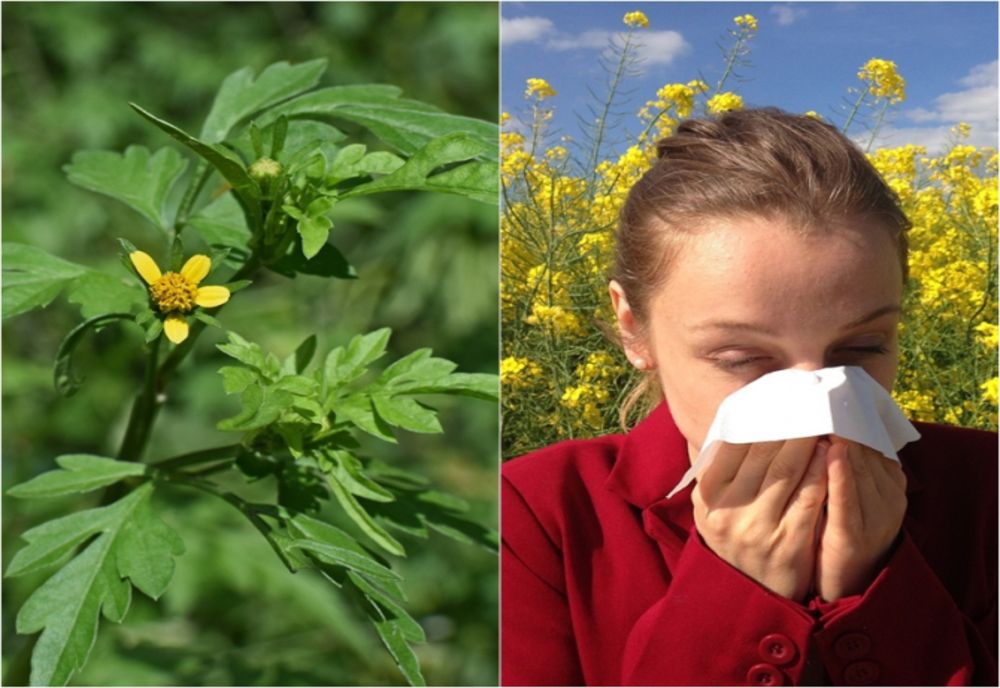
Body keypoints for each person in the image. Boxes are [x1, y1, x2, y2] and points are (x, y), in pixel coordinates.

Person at [501, 108, 997, 686]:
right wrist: (736, 593)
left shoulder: (985, 486)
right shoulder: (535, 518)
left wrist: (877, 584)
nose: (817, 400)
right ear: (634, 329)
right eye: (740, 358)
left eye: (862, 348)